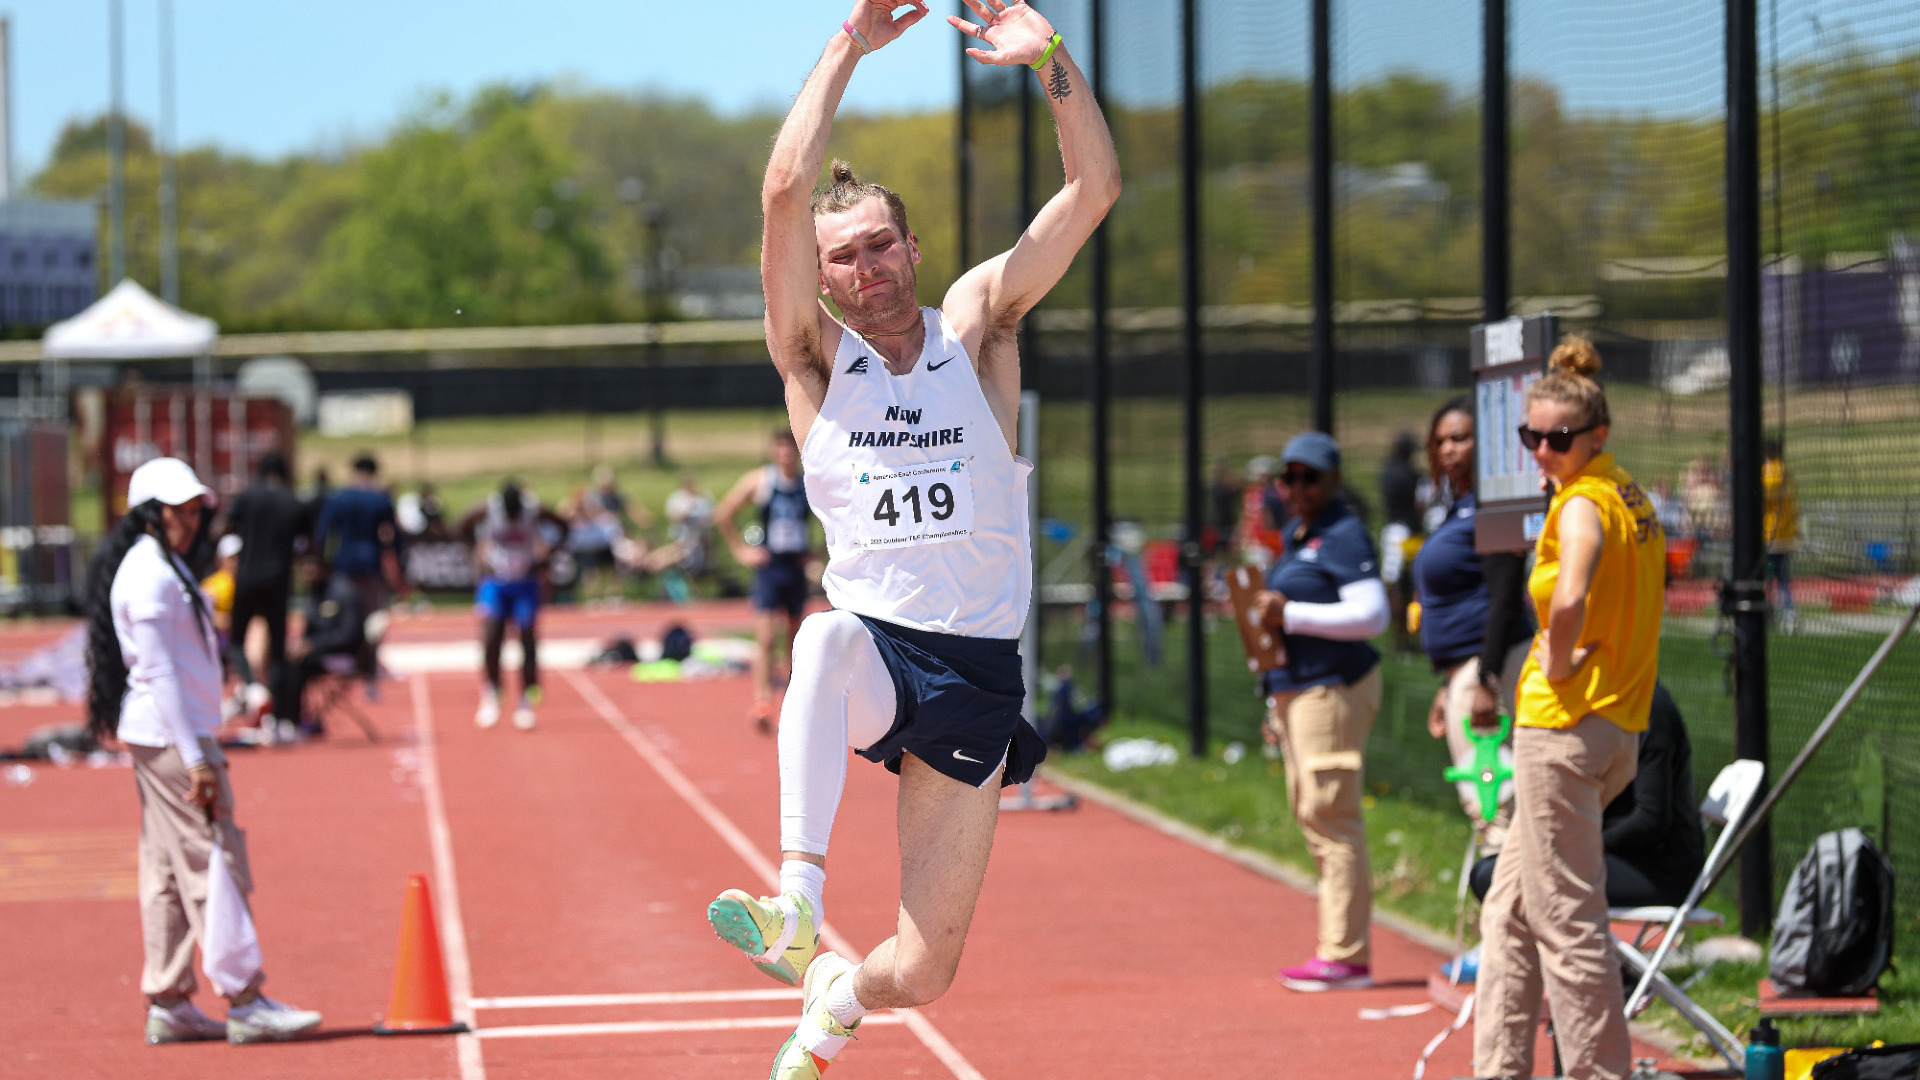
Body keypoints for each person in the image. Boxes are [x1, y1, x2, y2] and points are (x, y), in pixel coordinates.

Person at [702, 3, 1120, 1076]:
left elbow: (1093, 195)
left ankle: (837, 991)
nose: (866, 266)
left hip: (977, 672)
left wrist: (1055, 64)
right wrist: (849, 43)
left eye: (882, 242)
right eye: (844, 256)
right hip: (881, 652)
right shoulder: (812, 360)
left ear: (913, 246)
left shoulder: (976, 327)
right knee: (820, 637)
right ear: (824, 276)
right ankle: (796, 895)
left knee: (927, 971)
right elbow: (783, 193)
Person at [1473, 336, 1666, 1080]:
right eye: (1533, 437)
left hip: (1565, 730)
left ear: (1597, 437)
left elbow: (1575, 591)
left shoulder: (1584, 505)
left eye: (1558, 439)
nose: (1543, 452)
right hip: (1613, 727)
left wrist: (1554, 657)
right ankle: (1498, 1069)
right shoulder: (1629, 494)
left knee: (1568, 924)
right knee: (1510, 914)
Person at [84, 457, 323, 1045]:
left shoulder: (160, 567)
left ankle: (169, 998)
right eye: (178, 511)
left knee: (166, 869)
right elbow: (161, 673)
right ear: (149, 513)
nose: (189, 522)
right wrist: (195, 758)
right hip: (173, 738)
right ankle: (245, 999)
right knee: (211, 863)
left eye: (194, 511)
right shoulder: (151, 576)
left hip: (165, 733)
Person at [1249, 432, 1390, 992]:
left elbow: (1372, 613)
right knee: (1313, 813)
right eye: (1289, 478)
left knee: (1331, 815)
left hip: (1331, 687)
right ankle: (1340, 948)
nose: (1298, 488)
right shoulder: (1297, 533)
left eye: (1310, 477)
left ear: (1332, 480)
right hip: (1297, 690)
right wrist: (1273, 694)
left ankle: (1346, 956)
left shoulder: (1343, 532)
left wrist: (1292, 613)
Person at [1412, 397, 1533, 854]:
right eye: (1440, 440)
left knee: (1492, 798)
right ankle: (1504, 914)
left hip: (1492, 665)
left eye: (1460, 438)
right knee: (1488, 801)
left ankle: (1504, 918)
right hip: (1466, 669)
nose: (1448, 449)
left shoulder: (1490, 506)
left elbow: (1504, 597)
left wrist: (1486, 679)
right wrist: (1450, 686)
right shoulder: (1454, 506)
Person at [1467, 683, 1705, 909]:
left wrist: (1581, 845)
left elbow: (1650, 819)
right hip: (1609, 852)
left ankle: (1543, 950)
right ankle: (1518, 949)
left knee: (1497, 877)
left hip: (1658, 871)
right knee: (1489, 870)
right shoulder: (1604, 701)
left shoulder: (1651, 708)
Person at [716, 429, 818, 733]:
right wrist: (740, 551)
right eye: (781, 449)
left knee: (794, 638)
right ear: (775, 452)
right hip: (770, 566)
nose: (786, 455)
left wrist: (815, 552)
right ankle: (762, 700)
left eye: (791, 450)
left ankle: (793, 698)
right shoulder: (760, 481)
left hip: (795, 566)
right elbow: (724, 513)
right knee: (764, 637)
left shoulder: (808, 481)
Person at [457, 480, 570, 731]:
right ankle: (492, 693)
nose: (512, 517)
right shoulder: (489, 509)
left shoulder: (532, 510)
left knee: (528, 638)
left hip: (525, 583)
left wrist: (548, 554)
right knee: (492, 636)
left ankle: (525, 698)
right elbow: (461, 524)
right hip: (495, 582)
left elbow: (563, 524)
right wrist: (476, 554)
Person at [222, 452, 310, 724]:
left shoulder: (247, 497)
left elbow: (226, 528)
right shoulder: (293, 501)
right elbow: (307, 543)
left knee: (236, 640)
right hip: (278, 582)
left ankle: (251, 687)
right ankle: (280, 712)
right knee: (278, 647)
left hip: (247, 577)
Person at [313, 454, 399, 616]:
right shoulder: (381, 500)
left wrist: (322, 561)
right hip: (372, 563)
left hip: (344, 563)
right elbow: (395, 536)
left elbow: (322, 534)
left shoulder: (339, 499)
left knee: (346, 615)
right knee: (373, 615)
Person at [1379, 430, 1423, 653]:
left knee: (1395, 584)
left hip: (1390, 530)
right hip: (1406, 533)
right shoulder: (1409, 474)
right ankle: (1404, 639)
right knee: (1404, 586)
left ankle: (1399, 638)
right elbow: (1419, 505)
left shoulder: (1387, 472)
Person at [1763, 439, 1799, 634]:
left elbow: (1766, 496)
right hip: (1785, 536)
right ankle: (1786, 613)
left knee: (1770, 577)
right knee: (1782, 578)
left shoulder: (1770, 472)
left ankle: (1774, 614)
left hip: (1771, 536)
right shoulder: (1786, 471)